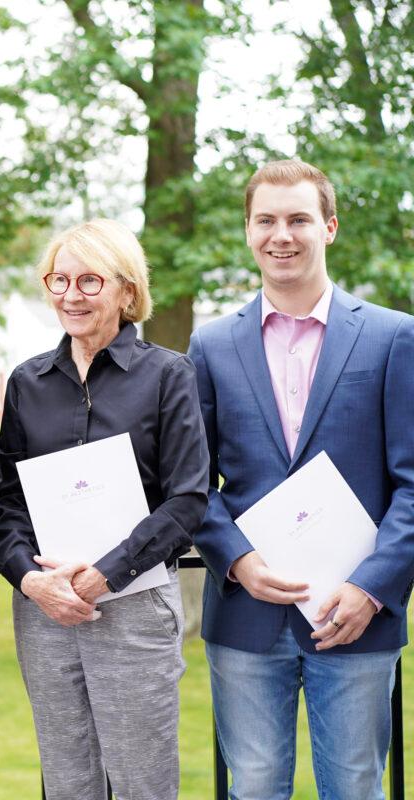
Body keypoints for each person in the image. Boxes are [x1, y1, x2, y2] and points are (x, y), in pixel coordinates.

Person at [188, 159, 414, 800]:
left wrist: (372, 588)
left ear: (330, 227)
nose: (280, 235)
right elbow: (191, 483)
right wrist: (235, 561)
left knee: (354, 787)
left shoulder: (393, 337)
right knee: (254, 787)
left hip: (356, 617)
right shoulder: (211, 347)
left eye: (298, 219)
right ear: (249, 230)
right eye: (266, 220)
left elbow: (413, 484)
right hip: (246, 616)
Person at [0, 219, 208, 800]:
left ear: (127, 291)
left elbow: (188, 498)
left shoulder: (168, 375)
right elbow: (9, 502)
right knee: (66, 782)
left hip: (134, 607)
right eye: (58, 280)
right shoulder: (26, 382)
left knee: (142, 783)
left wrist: (104, 574)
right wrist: (30, 579)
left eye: (89, 281)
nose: (70, 295)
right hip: (45, 611)